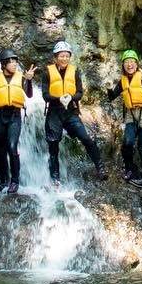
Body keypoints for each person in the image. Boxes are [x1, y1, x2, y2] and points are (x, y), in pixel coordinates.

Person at [40, 41, 107, 185]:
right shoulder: (47, 72)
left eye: (66, 56)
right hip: (54, 112)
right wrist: (58, 98)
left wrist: (70, 97)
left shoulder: (74, 71)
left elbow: (80, 93)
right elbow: (45, 95)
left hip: (70, 111)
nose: (64, 59)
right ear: (55, 57)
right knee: (53, 145)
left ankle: (100, 167)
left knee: (86, 138)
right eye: (61, 56)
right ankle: (55, 178)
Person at [0, 48, 35, 195]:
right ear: (3, 64)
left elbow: (30, 94)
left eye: (15, 61)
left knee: (12, 146)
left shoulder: (21, 78)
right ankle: (2, 180)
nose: (14, 64)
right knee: (1, 150)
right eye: (11, 61)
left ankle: (15, 180)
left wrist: (29, 80)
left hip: (14, 116)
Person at [107, 49, 142, 190]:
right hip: (131, 114)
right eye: (126, 62)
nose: (129, 65)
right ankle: (130, 169)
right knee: (127, 143)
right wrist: (110, 88)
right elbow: (111, 97)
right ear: (123, 65)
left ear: (136, 64)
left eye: (132, 62)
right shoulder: (123, 81)